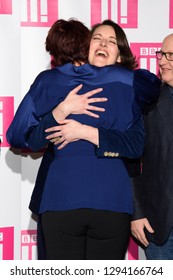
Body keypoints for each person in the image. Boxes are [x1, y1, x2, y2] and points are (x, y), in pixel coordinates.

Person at [6, 19, 160, 260]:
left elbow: (135, 145)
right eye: (97, 38)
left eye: (111, 42)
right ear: (85, 47)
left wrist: (85, 132)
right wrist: (61, 110)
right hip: (64, 198)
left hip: (110, 201)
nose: (103, 44)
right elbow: (29, 138)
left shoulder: (128, 89)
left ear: (120, 56)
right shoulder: (60, 85)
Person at [131, 33, 173, 260]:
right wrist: (136, 213)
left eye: (170, 55)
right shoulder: (148, 101)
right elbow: (131, 160)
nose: (162, 61)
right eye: (161, 54)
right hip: (161, 227)